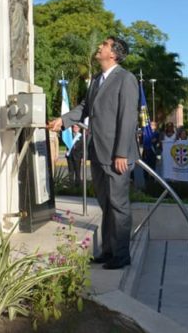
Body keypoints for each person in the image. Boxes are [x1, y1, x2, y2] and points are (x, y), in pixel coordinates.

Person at [47, 36, 139, 270]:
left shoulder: (126, 79)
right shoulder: (97, 79)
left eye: (105, 45)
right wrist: (63, 121)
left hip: (116, 155)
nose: (99, 46)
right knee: (106, 205)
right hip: (97, 152)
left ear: (114, 54)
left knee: (118, 205)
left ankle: (121, 255)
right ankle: (108, 251)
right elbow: (84, 109)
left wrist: (121, 154)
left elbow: (127, 118)